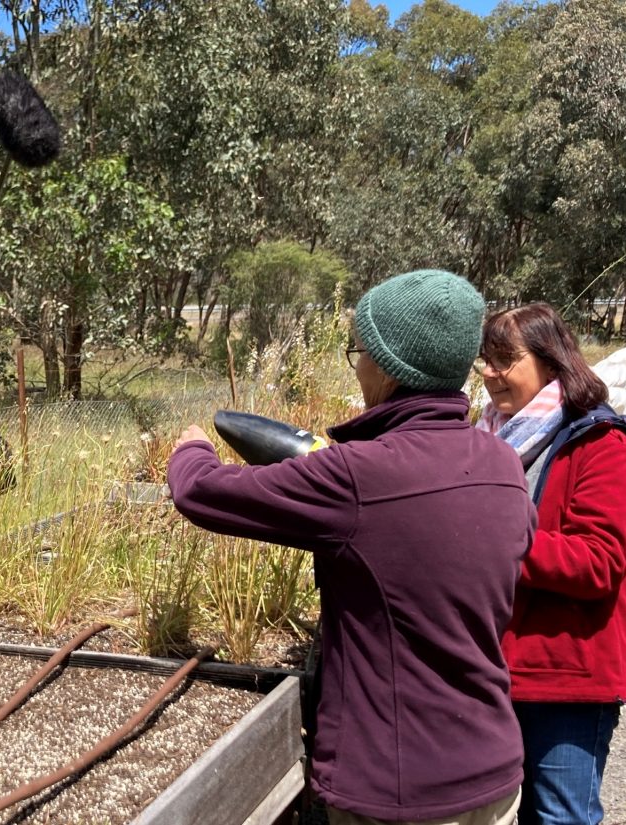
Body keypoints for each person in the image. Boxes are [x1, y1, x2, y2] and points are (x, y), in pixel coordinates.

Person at [168, 269, 536, 824]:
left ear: (390, 367)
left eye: (358, 350)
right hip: (495, 776)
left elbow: (201, 494)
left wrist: (191, 449)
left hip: (398, 792)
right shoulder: (502, 462)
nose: (357, 363)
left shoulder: (358, 477)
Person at [475, 303, 626, 825]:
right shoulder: (488, 438)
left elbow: (599, 561)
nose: (489, 372)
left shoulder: (601, 443)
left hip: (568, 672)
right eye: (484, 359)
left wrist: (488, 541)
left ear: (551, 363)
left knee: (558, 816)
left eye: (505, 359)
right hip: (502, 664)